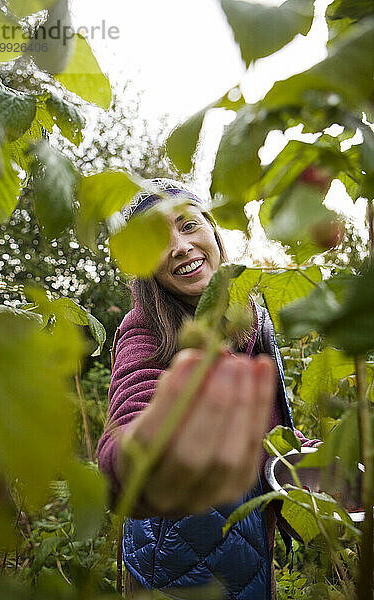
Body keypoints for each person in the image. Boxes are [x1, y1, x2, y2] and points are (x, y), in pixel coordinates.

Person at [97, 178, 318, 600]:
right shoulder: (145, 331)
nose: (180, 246)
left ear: (213, 229)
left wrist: (318, 459)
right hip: (175, 576)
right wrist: (149, 458)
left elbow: (265, 436)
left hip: (250, 557)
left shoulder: (249, 319)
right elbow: (121, 443)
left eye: (188, 225)